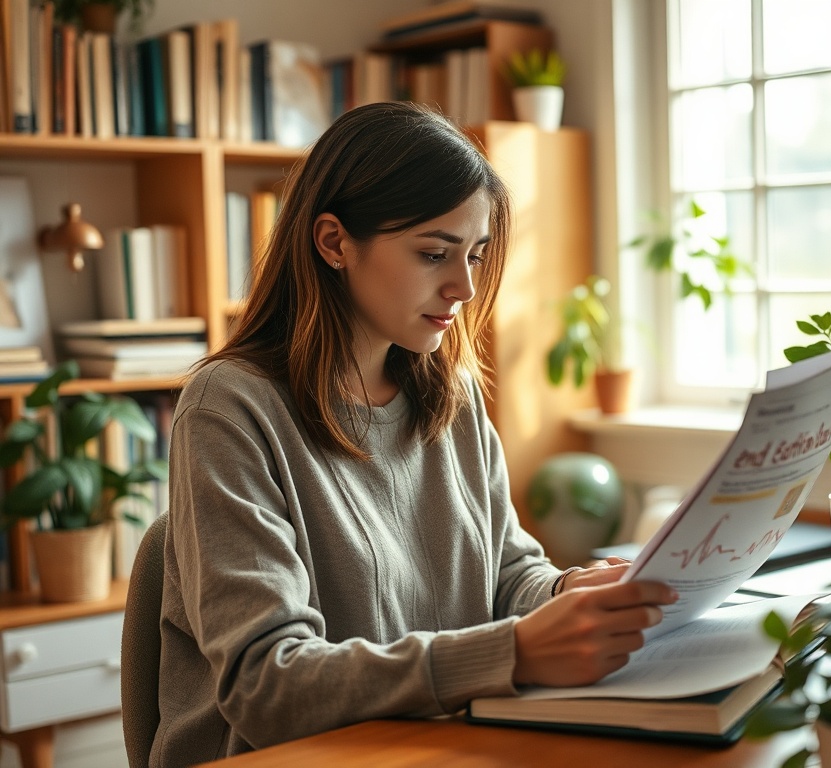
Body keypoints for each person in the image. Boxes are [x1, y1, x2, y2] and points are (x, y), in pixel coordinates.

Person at [153, 101, 676, 765]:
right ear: (334, 242)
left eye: (476, 256)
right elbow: (267, 686)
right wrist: (513, 651)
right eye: (434, 253)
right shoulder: (230, 410)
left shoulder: (450, 394)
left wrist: (564, 595)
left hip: (429, 745)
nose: (462, 287)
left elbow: (507, 573)